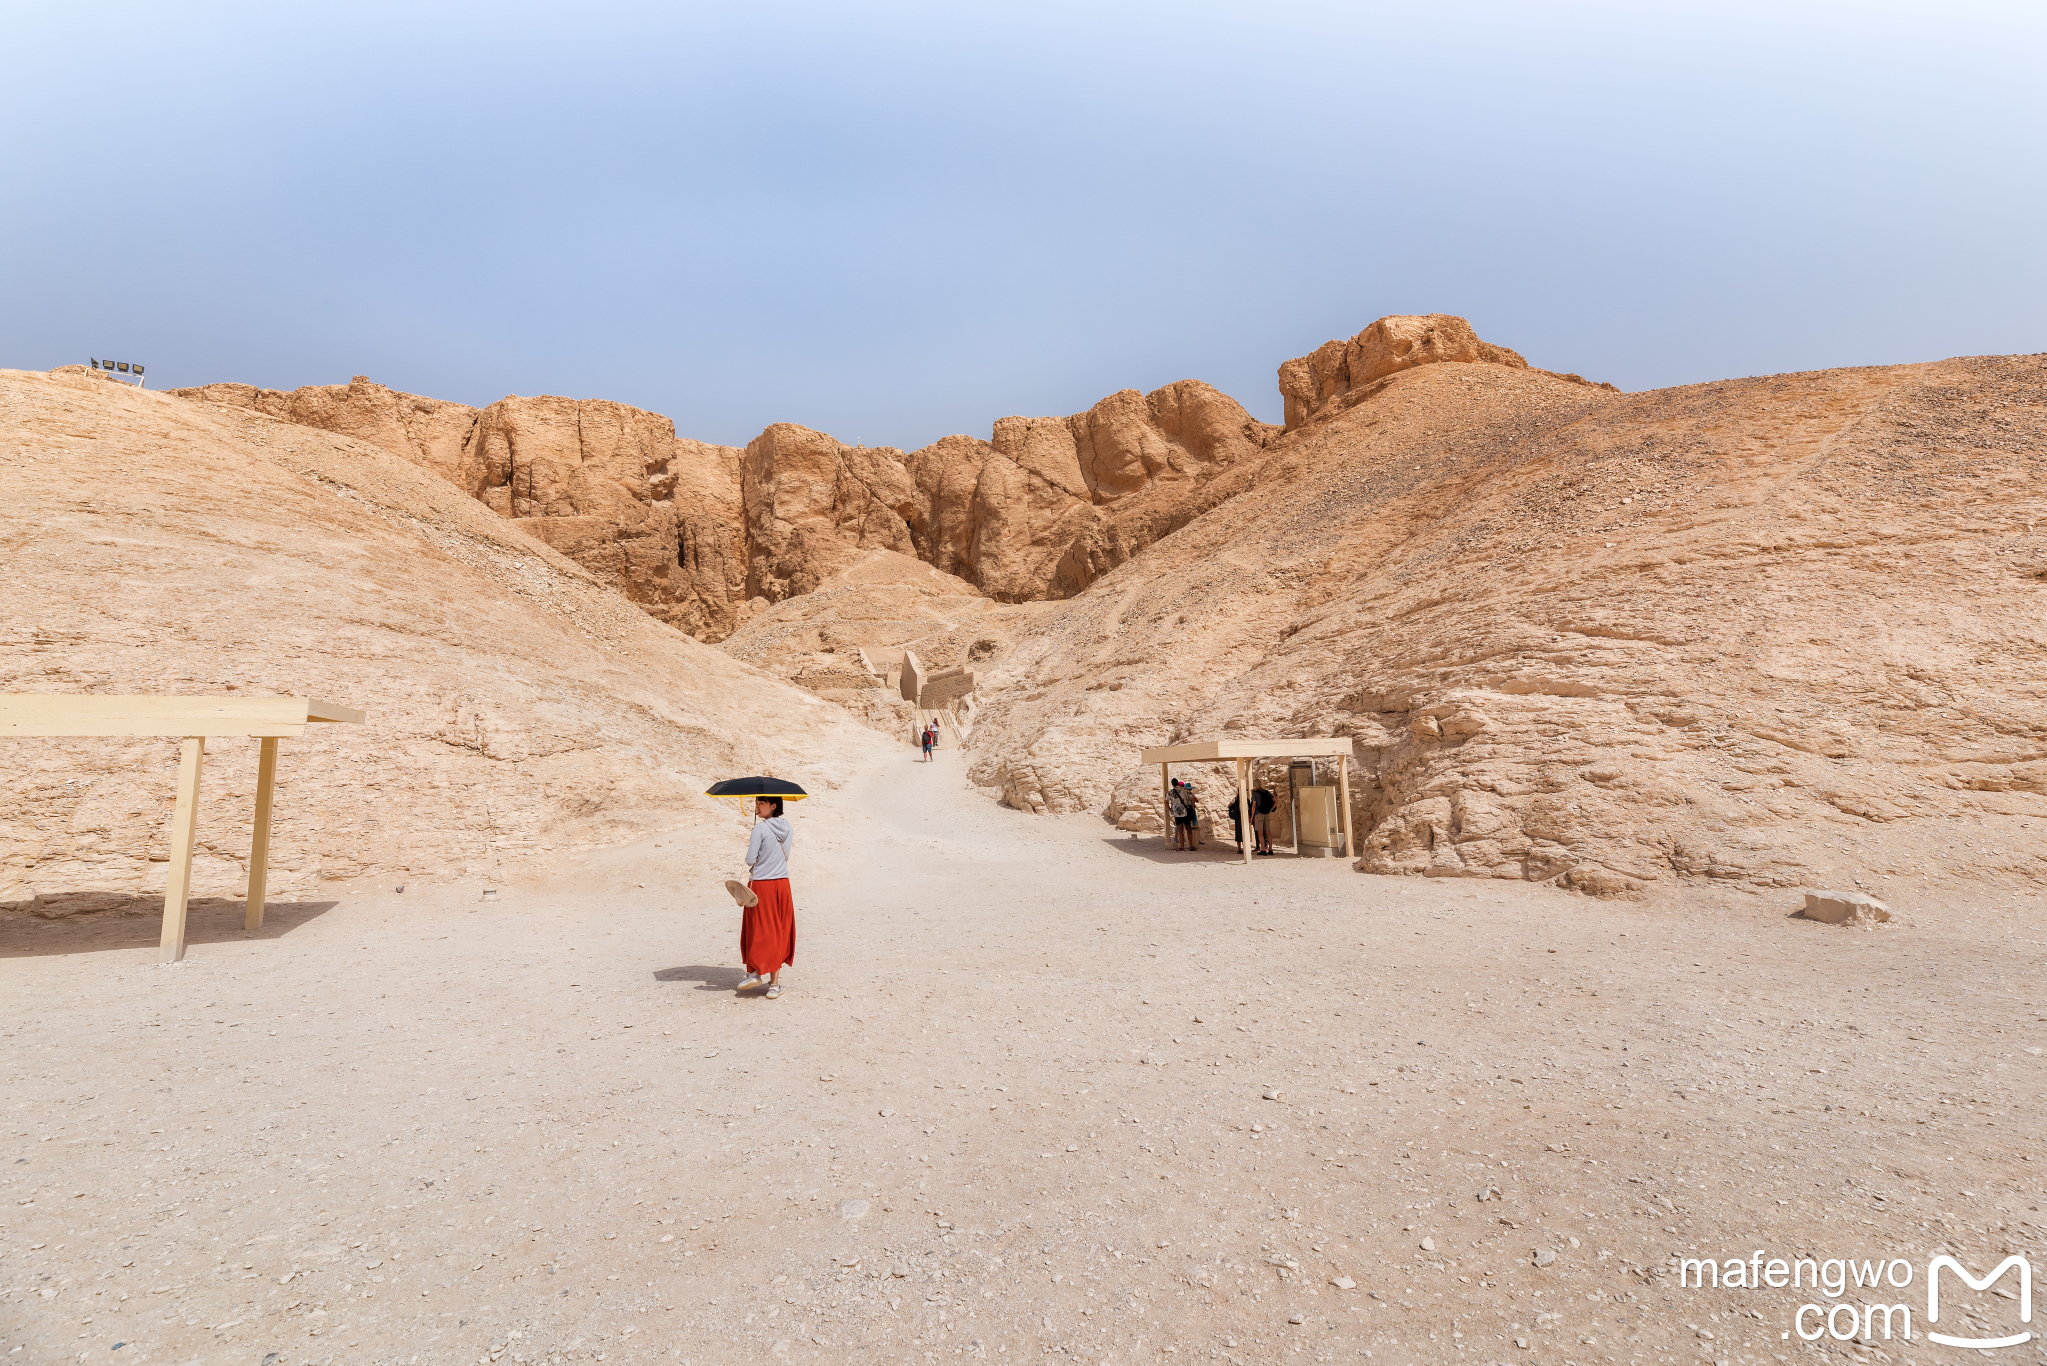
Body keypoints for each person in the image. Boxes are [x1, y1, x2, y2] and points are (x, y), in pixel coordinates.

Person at [739, 795, 796, 998]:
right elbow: (786, 855)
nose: (757, 807)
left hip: (760, 885)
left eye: (761, 803)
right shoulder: (788, 826)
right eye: (756, 803)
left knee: (758, 928)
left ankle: (754, 971)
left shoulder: (759, 829)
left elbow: (749, 860)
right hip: (782, 884)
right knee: (778, 930)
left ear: (773, 806)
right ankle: (774, 985)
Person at [1253, 784, 1277, 855]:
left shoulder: (1255, 793)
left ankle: (1263, 850)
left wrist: (1252, 817)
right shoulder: (1267, 792)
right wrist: (1271, 809)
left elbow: (1254, 806)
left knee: (1260, 833)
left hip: (1258, 814)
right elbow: (1276, 801)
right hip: (1267, 814)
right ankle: (1270, 850)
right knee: (1268, 832)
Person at [1168, 780, 1190, 850]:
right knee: (1189, 830)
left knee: (1180, 831)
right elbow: (1189, 799)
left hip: (1177, 814)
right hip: (1186, 812)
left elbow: (1166, 801)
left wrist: (1170, 810)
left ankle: (1182, 847)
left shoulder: (1171, 792)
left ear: (1172, 784)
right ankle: (1191, 846)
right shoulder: (1184, 790)